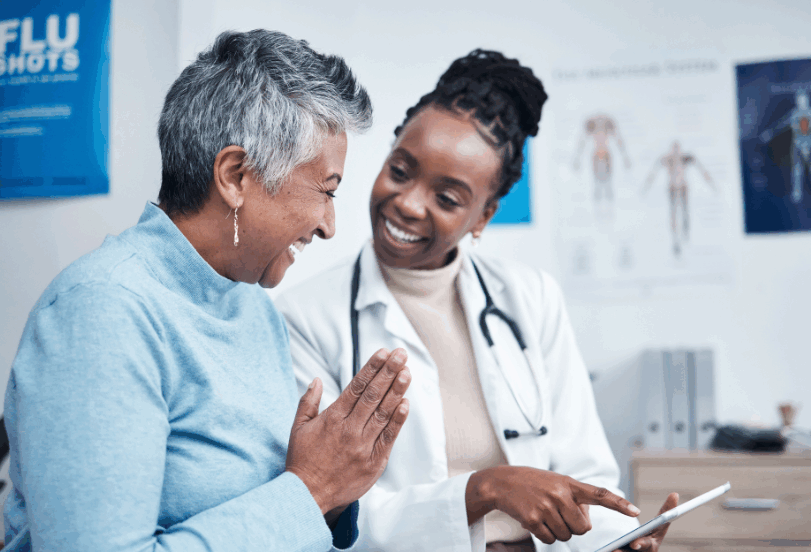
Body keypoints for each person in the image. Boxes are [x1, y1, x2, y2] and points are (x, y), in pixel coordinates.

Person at [3, 30, 413, 552]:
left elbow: (271, 505)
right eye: (326, 192)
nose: (329, 225)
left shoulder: (250, 304)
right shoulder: (102, 313)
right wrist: (312, 489)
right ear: (236, 176)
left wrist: (335, 479)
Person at [274, 50, 679, 552]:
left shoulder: (530, 298)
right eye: (401, 170)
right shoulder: (304, 318)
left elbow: (584, 473)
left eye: (447, 198)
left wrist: (618, 538)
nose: (408, 202)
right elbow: (328, 512)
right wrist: (483, 491)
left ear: (483, 217)